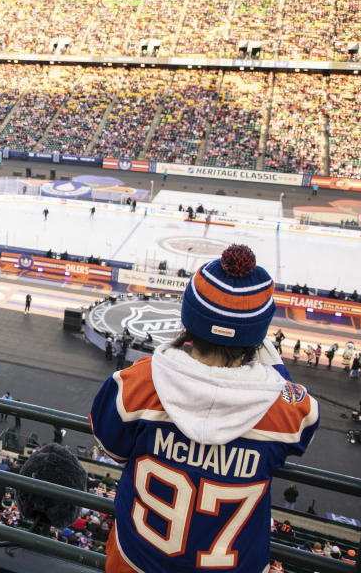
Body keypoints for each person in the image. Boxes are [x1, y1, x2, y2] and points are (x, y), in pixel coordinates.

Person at [90, 244, 319, 573]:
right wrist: (278, 371)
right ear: (258, 335)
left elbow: (111, 443)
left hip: (135, 562)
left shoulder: (136, 383)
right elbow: (305, 419)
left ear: (188, 320)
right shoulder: (287, 408)